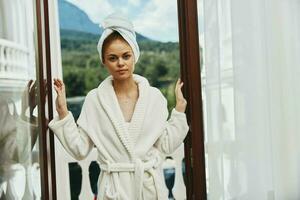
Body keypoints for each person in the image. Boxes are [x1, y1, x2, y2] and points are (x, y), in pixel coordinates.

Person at [48, 13, 189, 200]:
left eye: (126, 56)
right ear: (103, 61)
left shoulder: (154, 98)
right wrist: (63, 112)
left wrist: (179, 109)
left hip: (147, 189)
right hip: (113, 191)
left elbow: (166, 145)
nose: (120, 63)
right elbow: (80, 150)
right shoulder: (95, 100)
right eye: (113, 58)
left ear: (134, 56)